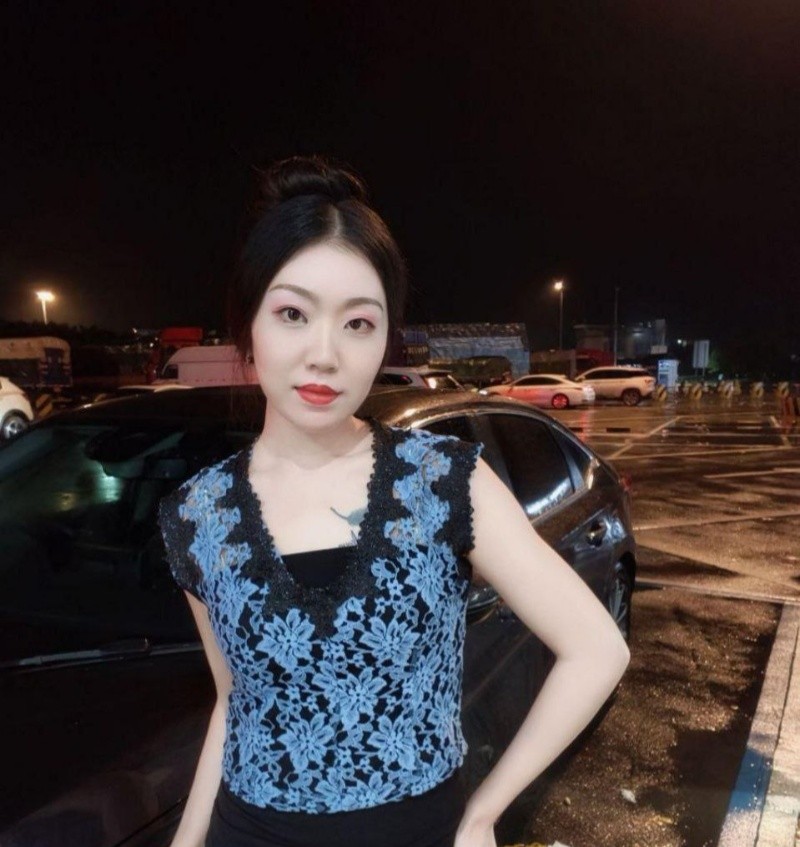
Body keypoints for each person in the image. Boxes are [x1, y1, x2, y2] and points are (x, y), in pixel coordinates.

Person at [158, 155, 630, 847]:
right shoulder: (199, 514)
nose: (325, 354)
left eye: (358, 323)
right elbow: (234, 702)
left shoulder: (440, 482)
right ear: (247, 325)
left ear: (385, 337)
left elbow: (596, 649)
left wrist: (484, 813)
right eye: (292, 313)